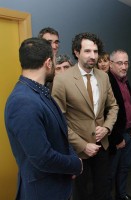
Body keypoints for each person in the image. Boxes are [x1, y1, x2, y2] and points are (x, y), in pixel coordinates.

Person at [4, 37, 82, 200]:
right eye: (54, 61)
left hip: (60, 184)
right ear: (48, 63)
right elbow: (43, 158)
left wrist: (70, 162)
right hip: (44, 192)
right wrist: (76, 165)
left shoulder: (40, 92)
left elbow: (60, 135)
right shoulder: (23, 102)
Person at [52, 32, 119, 200]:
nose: (93, 56)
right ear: (76, 52)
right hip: (78, 151)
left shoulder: (103, 76)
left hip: (102, 146)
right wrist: (82, 145)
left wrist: (107, 127)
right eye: (87, 51)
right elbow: (58, 121)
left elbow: (113, 106)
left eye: (95, 52)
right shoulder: (62, 80)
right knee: (80, 193)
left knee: (102, 190)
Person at [107, 49, 131, 200]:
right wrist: (117, 138)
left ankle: (121, 195)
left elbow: (129, 105)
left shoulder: (124, 80)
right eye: (120, 63)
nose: (124, 66)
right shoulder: (106, 81)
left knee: (124, 168)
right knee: (110, 173)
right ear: (111, 64)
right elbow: (104, 114)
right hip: (116, 138)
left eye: (126, 63)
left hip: (128, 133)